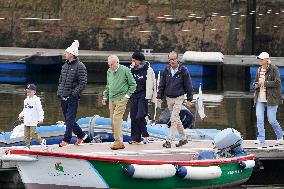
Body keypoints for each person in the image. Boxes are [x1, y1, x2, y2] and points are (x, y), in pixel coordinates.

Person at [157, 51, 193, 148]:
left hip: (179, 97)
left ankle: (169, 141)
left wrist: (189, 99)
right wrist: (159, 96)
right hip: (169, 98)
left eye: (173, 59)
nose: (171, 61)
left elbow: (188, 85)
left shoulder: (183, 70)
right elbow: (162, 84)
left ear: (177, 59)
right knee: (176, 119)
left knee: (173, 119)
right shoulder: (166, 70)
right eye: (170, 59)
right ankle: (183, 138)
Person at [57, 40, 88, 147]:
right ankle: (81, 135)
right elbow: (61, 80)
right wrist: (59, 92)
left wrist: (74, 94)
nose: (65, 54)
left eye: (67, 52)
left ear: (72, 54)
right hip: (63, 96)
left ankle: (66, 140)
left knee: (69, 119)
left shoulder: (80, 66)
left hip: (72, 98)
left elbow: (83, 83)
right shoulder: (65, 65)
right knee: (68, 120)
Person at [102, 55, 137, 150]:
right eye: (109, 65)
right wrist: (105, 96)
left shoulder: (125, 70)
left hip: (121, 98)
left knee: (117, 119)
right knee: (112, 121)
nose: (110, 67)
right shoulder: (109, 71)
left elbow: (133, 84)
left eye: (112, 64)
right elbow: (108, 85)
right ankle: (118, 141)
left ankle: (118, 142)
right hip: (111, 99)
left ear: (117, 62)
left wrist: (127, 96)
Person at [253, 52, 283, 144]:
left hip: (271, 99)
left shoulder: (274, 69)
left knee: (272, 120)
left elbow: (277, 83)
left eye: (261, 59)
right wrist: (256, 85)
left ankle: (280, 135)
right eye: (259, 59)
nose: (260, 60)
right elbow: (255, 82)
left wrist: (265, 83)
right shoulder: (259, 69)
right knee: (259, 119)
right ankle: (261, 139)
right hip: (260, 98)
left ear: (266, 60)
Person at [129, 52, 156, 144]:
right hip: (133, 95)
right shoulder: (131, 69)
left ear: (139, 61)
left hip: (143, 95)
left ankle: (144, 133)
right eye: (132, 60)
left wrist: (154, 97)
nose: (132, 62)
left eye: (134, 60)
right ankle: (135, 138)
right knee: (133, 117)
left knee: (140, 116)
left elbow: (153, 84)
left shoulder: (148, 70)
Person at [19, 84, 46, 148]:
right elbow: (25, 109)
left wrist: (41, 118)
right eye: (27, 91)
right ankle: (28, 146)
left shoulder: (37, 100)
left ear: (34, 92)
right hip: (26, 121)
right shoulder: (26, 100)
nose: (28, 93)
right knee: (26, 136)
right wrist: (20, 115)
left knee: (32, 134)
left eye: (30, 91)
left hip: (33, 121)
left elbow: (40, 110)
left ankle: (42, 141)